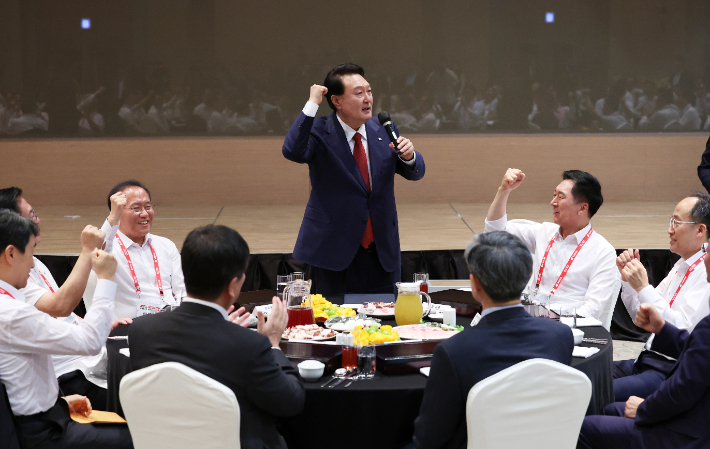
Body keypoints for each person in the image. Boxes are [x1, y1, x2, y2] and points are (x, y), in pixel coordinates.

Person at [129, 224, 304, 449]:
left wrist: (223, 330)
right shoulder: (249, 345)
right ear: (233, 285)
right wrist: (272, 345)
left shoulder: (142, 331)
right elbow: (290, 402)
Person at [412, 231, 574, 449]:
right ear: (526, 277)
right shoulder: (560, 336)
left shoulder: (454, 352)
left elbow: (429, 438)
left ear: (475, 284)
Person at [282, 63, 425, 295]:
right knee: (334, 322)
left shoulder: (383, 128)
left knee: (385, 322)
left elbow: (415, 172)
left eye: (369, 91)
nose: (367, 99)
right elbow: (292, 150)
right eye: (358, 93)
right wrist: (312, 105)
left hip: (382, 253)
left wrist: (410, 157)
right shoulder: (319, 131)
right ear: (337, 101)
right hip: (334, 251)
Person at [0, 210, 133, 449]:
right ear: (11, 253)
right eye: (30, 253)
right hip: (40, 434)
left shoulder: (10, 303)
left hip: (38, 416)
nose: (32, 264)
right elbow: (90, 342)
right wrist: (106, 278)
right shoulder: (11, 313)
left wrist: (59, 402)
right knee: (137, 437)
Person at [485, 169, 618, 319]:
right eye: (554, 195)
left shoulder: (603, 252)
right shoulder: (544, 232)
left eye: (560, 197)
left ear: (582, 208)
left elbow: (592, 308)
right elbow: (494, 233)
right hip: (528, 319)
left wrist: (556, 324)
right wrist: (504, 190)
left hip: (566, 328)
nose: (552, 202)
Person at [578, 297, 710, 449]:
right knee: (610, 409)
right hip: (696, 415)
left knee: (583, 429)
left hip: (692, 433)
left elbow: (682, 391)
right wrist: (662, 328)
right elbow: (697, 351)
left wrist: (644, 408)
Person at [614, 194, 710, 402]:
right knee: (585, 375)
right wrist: (629, 283)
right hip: (645, 359)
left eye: (676, 222)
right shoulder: (681, 264)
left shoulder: (706, 272)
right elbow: (641, 317)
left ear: (700, 230)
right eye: (670, 221)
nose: (669, 229)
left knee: (597, 391)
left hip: (669, 369)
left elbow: (680, 329)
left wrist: (643, 286)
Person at [98, 180, 185, 319]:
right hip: (132, 326)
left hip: (172, 322)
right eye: (136, 208)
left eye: (148, 206)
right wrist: (112, 217)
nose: (145, 214)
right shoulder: (110, 248)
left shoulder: (165, 245)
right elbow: (95, 253)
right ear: (118, 212)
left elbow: (182, 290)